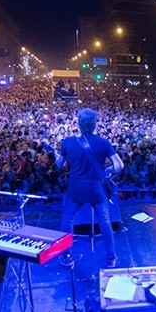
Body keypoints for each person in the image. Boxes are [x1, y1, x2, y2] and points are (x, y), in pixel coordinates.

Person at [56, 108, 124, 268]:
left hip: (75, 189)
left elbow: (59, 164)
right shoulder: (103, 142)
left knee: (67, 220)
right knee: (105, 222)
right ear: (95, 125)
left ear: (79, 124)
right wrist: (107, 171)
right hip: (96, 189)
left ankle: (66, 256)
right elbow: (119, 165)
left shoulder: (68, 141)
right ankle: (111, 258)